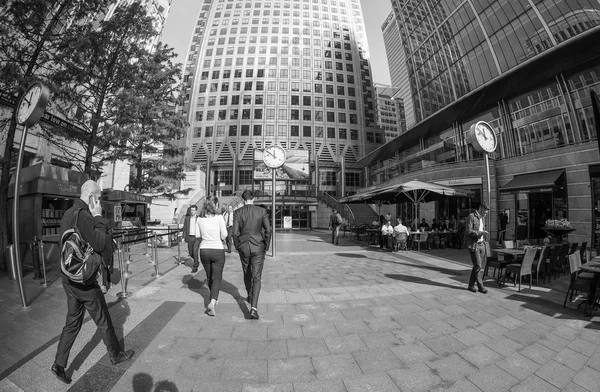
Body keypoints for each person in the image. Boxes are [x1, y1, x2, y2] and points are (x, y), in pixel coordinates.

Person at [52, 180, 133, 384]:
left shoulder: (68, 214)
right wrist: (98, 218)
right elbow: (98, 244)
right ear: (90, 197)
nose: (98, 203)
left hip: (68, 279)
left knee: (72, 322)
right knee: (103, 320)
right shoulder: (85, 216)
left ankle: (59, 364)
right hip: (84, 281)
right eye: (97, 199)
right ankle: (116, 355)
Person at [233, 190, 271, 320]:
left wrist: (237, 245)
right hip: (258, 246)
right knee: (257, 277)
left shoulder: (238, 212)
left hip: (243, 246)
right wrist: (266, 245)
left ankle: (249, 294)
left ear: (243, 200)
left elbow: (235, 233)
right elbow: (268, 229)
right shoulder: (261, 211)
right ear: (253, 199)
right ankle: (253, 308)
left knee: (246, 272)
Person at [197, 195, 228, 317]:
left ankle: (213, 297)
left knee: (209, 276)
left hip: (204, 250)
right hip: (217, 250)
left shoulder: (199, 219)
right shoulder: (219, 218)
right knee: (217, 278)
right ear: (215, 205)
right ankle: (212, 303)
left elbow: (197, 235)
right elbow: (224, 235)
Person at [466, 201, 490, 294]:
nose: (485, 215)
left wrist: (483, 234)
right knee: (478, 266)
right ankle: (481, 286)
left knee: (477, 266)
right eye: (484, 212)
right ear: (480, 208)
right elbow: (468, 231)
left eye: (486, 213)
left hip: (481, 244)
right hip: (474, 245)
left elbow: (481, 229)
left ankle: (471, 285)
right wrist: (480, 233)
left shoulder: (482, 218)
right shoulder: (471, 216)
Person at [182, 205, 201, 272]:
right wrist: (183, 237)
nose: (192, 212)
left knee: (195, 251)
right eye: (191, 210)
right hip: (189, 237)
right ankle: (196, 261)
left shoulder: (199, 218)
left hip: (196, 238)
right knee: (191, 253)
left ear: (196, 211)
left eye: (193, 210)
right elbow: (184, 228)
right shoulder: (187, 218)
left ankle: (195, 266)